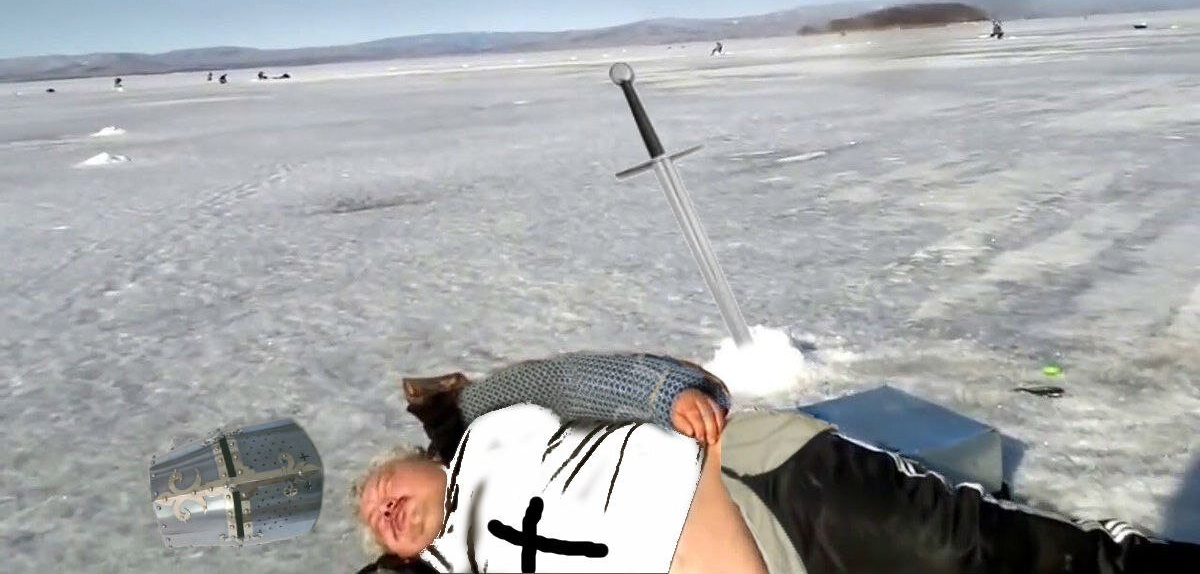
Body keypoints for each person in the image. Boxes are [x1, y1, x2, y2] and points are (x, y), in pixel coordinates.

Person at [354, 353, 1200, 573]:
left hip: (759, 491)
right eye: (370, 520)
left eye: (379, 487)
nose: (378, 507)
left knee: (958, 550)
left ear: (416, 459)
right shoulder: (446, 565)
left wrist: (660, 394)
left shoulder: (487, 417)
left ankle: (1121, 560)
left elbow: (573, 380)